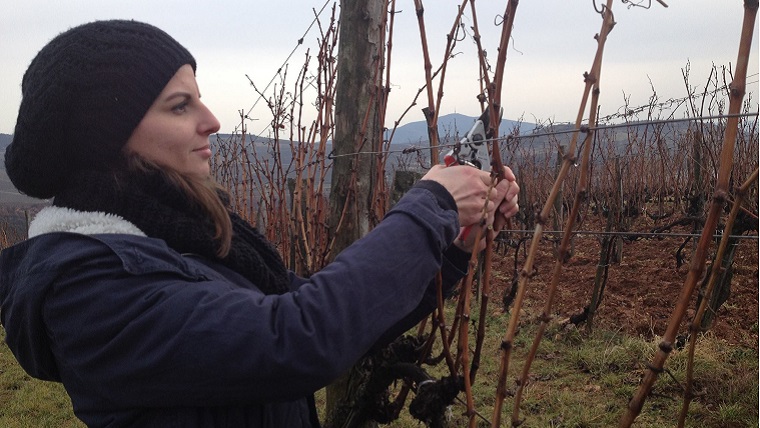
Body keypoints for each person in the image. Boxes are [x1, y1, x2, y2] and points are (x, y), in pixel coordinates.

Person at [0, 20, 519, 428]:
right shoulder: (89, 291)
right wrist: (429, 205)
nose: (212, 120)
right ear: (106, 141)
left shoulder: (178, 239)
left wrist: (453, 243)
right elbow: (296, 338)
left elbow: (335, 319)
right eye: (181, 105)